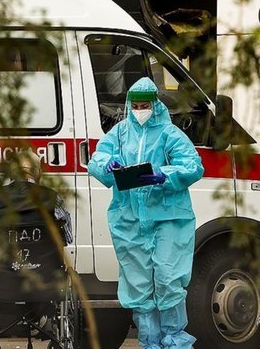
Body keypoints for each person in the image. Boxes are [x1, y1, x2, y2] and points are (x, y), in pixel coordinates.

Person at [87, 77, 204, 349]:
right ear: (129, 105)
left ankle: (174, 341)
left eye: (145, 105)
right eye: (136, 105)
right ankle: (149, 342)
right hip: (129, 219)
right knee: (138, 285)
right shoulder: (119, 133)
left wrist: (162, 175)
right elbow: (97, 159)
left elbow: (193, 166)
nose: (140, 110)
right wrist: (108, 165)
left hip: (168, 219)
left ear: (155, 105)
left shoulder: (170, 133)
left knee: (168, 277)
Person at [0, 148, 73, 250]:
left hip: (0, 268)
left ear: (11, 174)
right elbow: (68, 238)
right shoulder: (52, 197)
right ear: (39, 173)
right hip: (44, 268)